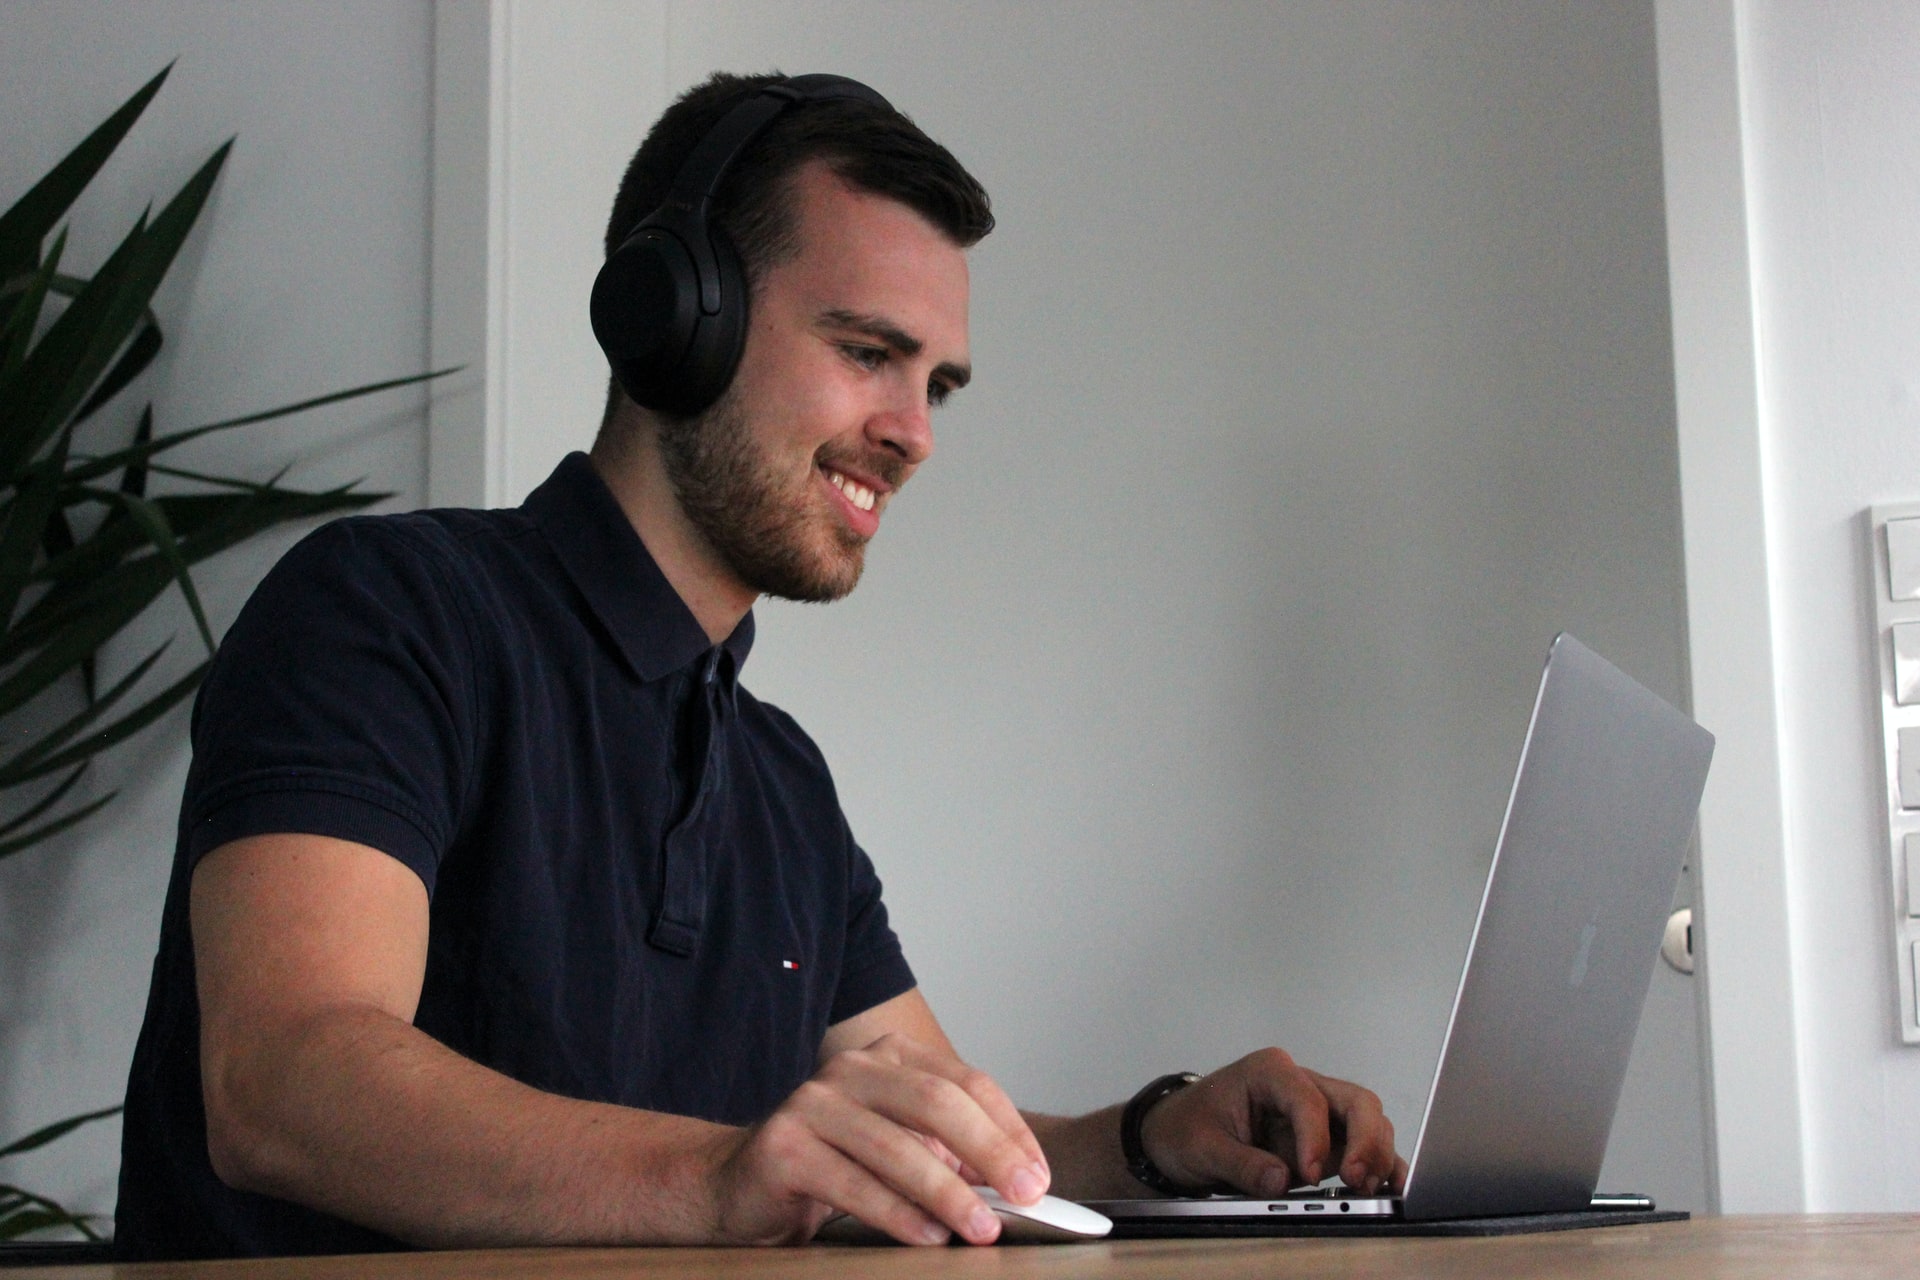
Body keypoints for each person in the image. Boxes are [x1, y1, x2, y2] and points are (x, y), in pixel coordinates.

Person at [115, 71, 1404, 1261]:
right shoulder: (385, 614)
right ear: (673, 317)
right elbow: (283, 1081)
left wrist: (1152, 1138)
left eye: (936, 385)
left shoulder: (782, 783)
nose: (911, 435)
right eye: (866, 353)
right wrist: (721, 1177)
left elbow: (953, 1156)